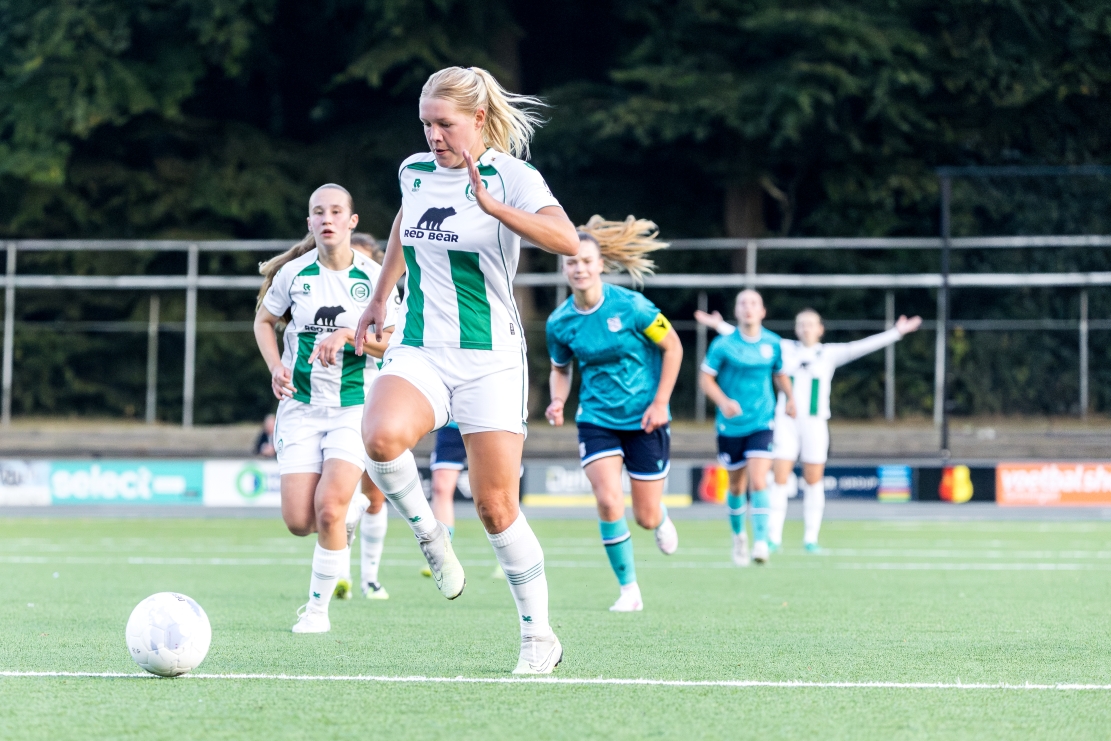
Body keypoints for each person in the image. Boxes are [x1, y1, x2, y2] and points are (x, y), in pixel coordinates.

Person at [354, 66, 579, 674]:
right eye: (426, 123)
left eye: (445, 124)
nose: (433, 135)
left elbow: (566, 240)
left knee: (496, 506)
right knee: (377, 436)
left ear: (478, 120)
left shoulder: (513, 176)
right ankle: (430, 532)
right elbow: (405, 220)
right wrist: (379, 295)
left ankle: (539, 638)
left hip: (491, 360)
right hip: (423, 345)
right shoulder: (414, 170)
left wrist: (494, 208)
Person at [253, 184, 398, 633]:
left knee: (330, 509)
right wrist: (276, 365)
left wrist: (350, 336)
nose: (328, 219)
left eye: (337, 211)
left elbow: (393, 343)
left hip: (354, 408)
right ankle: (349, 511)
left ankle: (316, 612)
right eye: (319, 212)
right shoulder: (294, 274)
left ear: (352, 223)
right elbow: (263, 320)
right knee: (300, 521)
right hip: (299, 408)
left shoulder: (376, 276)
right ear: (310, 222)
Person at [697, 307, 922, 552]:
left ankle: (810, 538)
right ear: (796, 329)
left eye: (811, 324)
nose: (806, 328)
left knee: (813, 480)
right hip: (785, 423)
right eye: (801, 324)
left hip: (815, 424)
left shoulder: (829, 353)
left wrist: (897, 332)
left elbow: (863, 345)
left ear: (820, 329)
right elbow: (750, 338)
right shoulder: (782, 347)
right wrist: (719, 325)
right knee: (778, 478)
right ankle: (772, 537)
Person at [545, 215, 682, 612]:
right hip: (596, 418)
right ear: (565, 267)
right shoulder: (560, 322)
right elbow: (560, 368)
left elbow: (673, 348)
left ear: (600, 264)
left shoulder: (633, 306)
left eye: (587, 261)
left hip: (645, 419)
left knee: (644, 515)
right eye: (572, 262)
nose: (579, 268)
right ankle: (629, 591)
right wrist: (558, 400)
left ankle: (659, 516)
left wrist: (660, 403)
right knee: (608, 500)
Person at [698, 290, 795, 567]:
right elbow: (706, 380)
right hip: (730, 425)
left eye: (754, 304)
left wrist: (790, 398)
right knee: (737, 486)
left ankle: (761, 542)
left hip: (762, 421)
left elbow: (780, 373)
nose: (748, 308)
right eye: (742, 303)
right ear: (737, 311)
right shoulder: (723, 345)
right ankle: (739, 535)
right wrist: (724, 402)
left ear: (762, 311)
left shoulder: (773, 343)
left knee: (760, 479)